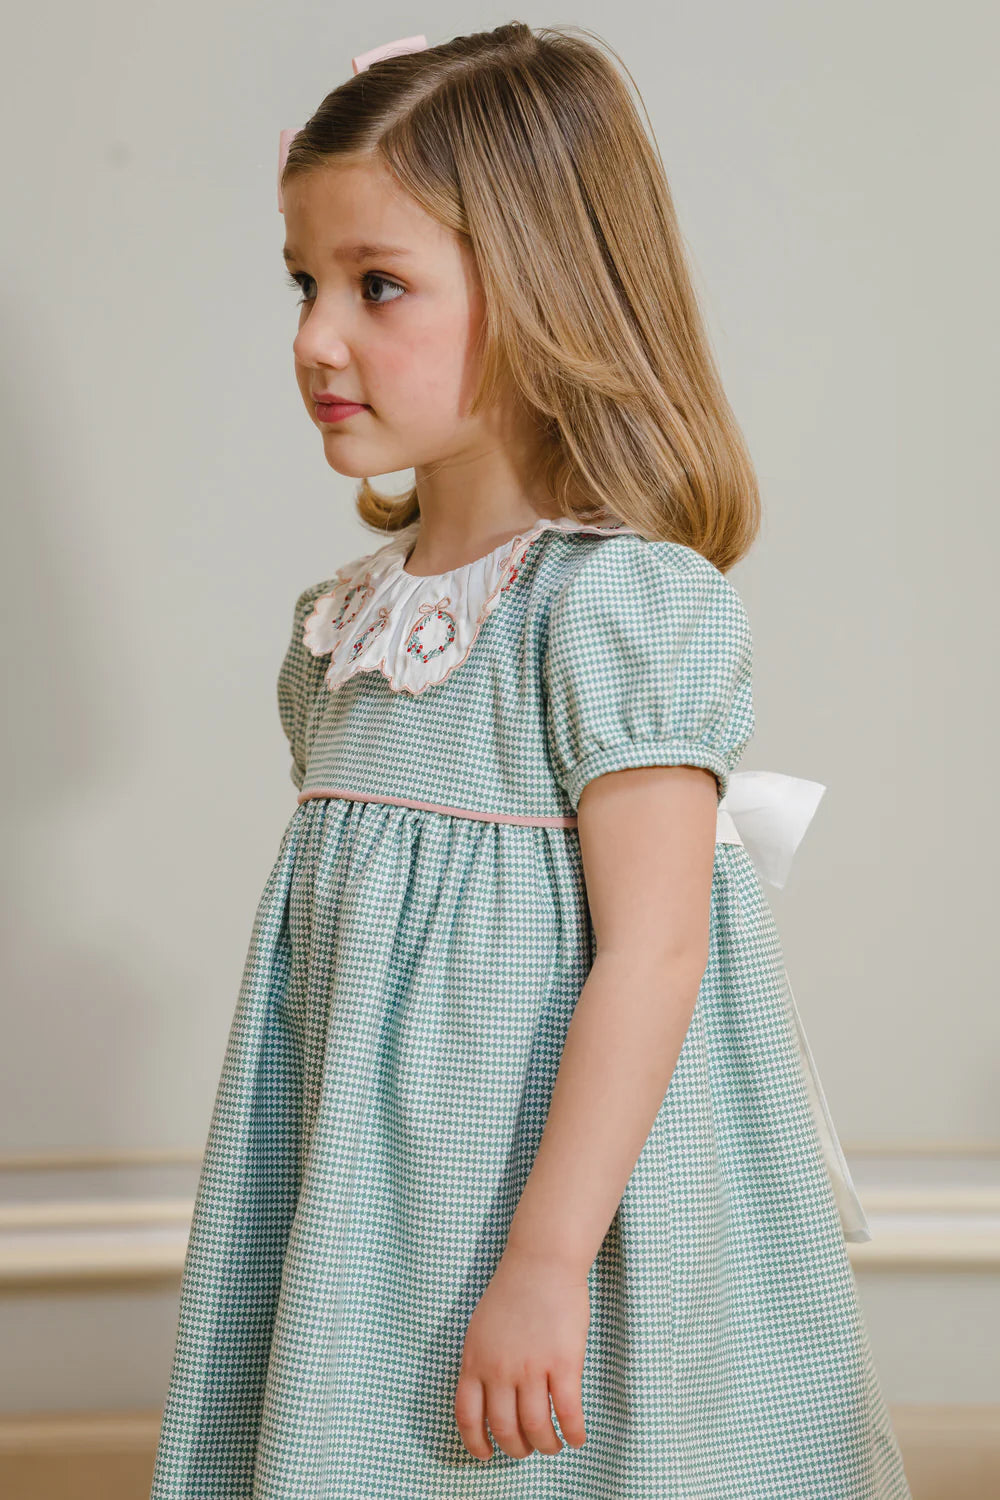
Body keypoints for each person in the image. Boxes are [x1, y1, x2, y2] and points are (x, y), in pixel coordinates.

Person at [150, 22, 913, 1499]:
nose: (315, 338)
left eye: (377, 285)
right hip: (376, 1216)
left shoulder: (613, 606)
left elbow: (656, 954)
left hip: (554, 1210)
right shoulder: (342, 632)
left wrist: (550, 1260)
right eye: (304, 284)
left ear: (544, 291)